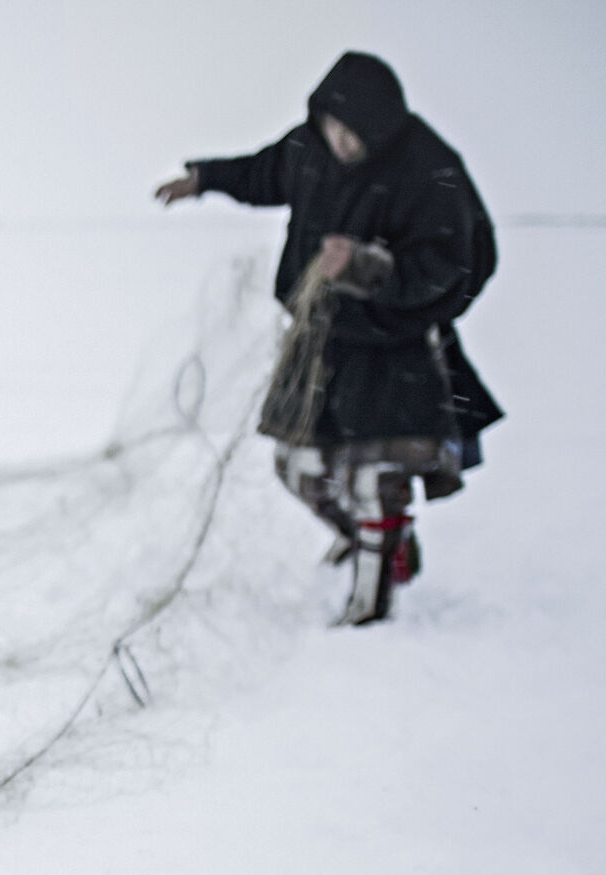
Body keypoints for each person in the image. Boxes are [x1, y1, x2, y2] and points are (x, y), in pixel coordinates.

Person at [156, 51, 501, 625]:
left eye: (352, 135)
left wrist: (366, 265)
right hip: (319, 339)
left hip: (395, 345)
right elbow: (264, 172)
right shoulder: (311, 147)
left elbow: (454, 262)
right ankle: (378, 537)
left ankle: (372, 599)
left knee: (375, 477)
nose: (340, 143)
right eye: (332, 130)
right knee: (298, 467)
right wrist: (206, 178)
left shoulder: (428, 166)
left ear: (380, 128)